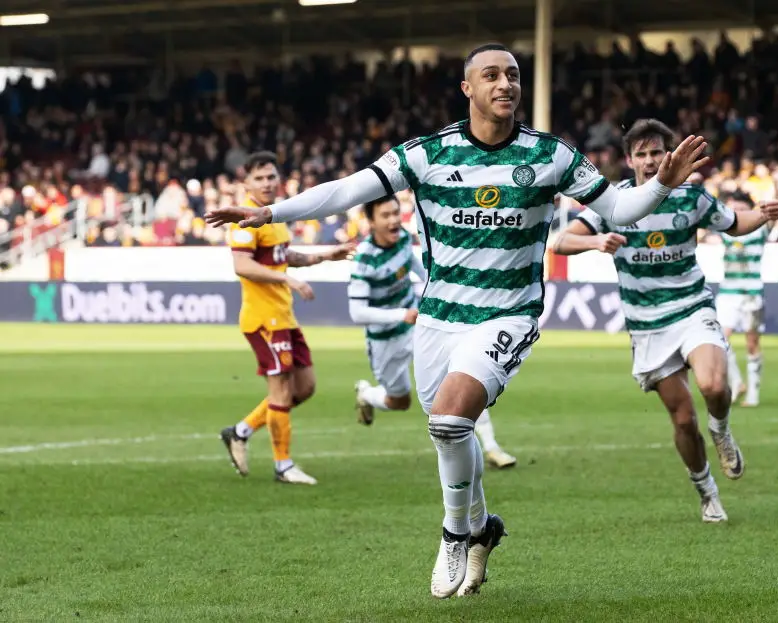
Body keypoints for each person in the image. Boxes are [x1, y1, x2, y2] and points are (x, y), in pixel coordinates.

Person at [206, 44, 710, 599]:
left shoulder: (551, 155)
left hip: (509, 313)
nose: (505, 83)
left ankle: (453, 534)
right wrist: (270, 212)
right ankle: (482, 528)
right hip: (439, 317)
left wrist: (661, 184)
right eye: (491, 75)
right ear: (468, 88)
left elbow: (619, 210)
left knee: (449, 420)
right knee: (451, 431)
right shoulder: (427, 154)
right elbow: (348, 189)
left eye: (512, 75)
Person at [552, 119, 778, 523]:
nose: (649, 160)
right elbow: (561, 241)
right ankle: (706, 491)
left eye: (656, 152)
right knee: (683, 419)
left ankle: (722, 431)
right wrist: (596, 241)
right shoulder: (614, 201)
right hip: (647, 324)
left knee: (714, 385)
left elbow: (734, 223)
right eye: (641, 154)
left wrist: (761, 215)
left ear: (668, 156)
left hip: (692, 307)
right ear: (629, 160)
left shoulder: (690, 197)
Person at [349, 195, 518, 469]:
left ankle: (491, 447)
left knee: (462, 376)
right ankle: (366, 394)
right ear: (370, 221)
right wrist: (400, 315)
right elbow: (357, 313)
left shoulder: (404, 240)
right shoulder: (363, 260)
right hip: (385, 339)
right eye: (385, 215)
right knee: (399, 401)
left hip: (419, 327)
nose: (393, 220)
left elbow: (425, 272)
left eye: (395, 213)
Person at [218, 151, 354, 486]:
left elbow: (283, 255)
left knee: (304, 388)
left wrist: (324, 256)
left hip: (284, 316)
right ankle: (283, 465)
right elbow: (242, 265)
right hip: (263, 319)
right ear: (246, 183)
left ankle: (240, 431)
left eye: (271, 177)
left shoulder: (273, 216)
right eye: (259, 178)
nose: (267, 183)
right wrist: (287, 279)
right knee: (280, 391)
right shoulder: (244, 219)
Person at [715, 190, 767, 407]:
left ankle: (753, 393)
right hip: (728, 292)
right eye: (733, 209)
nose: (736, 213)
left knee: (752, 342)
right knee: (719, 340)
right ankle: (737, 382)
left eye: (741, 209)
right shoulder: (725, 228)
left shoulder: (760, 228)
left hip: (751, 294)